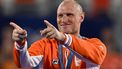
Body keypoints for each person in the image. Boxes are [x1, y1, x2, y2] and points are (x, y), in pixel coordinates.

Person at [10, 0, 107, 69]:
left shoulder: (95, 45)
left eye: (69, 15)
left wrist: (62, 37)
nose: (64, 20)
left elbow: (96, 57)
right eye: (60, 15)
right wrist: (20, 44)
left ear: (81, 17)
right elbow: (24, 64)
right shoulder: (45, 45)